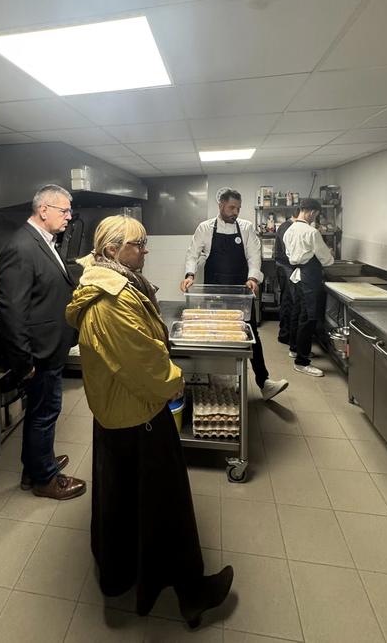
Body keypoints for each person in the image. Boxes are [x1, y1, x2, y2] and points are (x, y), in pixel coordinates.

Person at [66, 216, 233, 627]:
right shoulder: (112, 300)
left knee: (127, 500)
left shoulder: (108, 281)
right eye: (138, 244)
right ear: (112, 250)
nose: (145, 250)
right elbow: (143, 365)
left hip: (119, 412)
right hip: (138, 413)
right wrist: (175, 381)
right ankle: (191, 592)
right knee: (167, 504)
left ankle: (123, 572)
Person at [0, 184, 86, 501]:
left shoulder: (45, 241)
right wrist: (25, 363)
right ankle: (45, 478)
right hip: (38, 352)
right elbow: (12, 312)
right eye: (65, 211)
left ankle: (35, 466)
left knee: (41, 412)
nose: (69, 216)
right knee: (45, 412)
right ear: (43, 210)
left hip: (50, 346)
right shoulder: (21, 247)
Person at [180, 188, 288, 401]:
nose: (235, 212)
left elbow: (254, 256)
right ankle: (215, 381)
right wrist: (189, 275)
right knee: (215, 333)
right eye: (231, 208)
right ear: (220, 205)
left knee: (250, 334)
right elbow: (192, 254)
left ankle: (264, 382)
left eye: (238, 208)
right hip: (213, 293)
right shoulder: (205, 228)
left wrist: (253, 278)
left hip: (241, 294)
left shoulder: (246, 228)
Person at [283, 198, 334, 377]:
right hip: (309, 277)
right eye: (316, 215)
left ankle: (295, 349)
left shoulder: (289, 230)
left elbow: (289, 254)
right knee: (309, 318)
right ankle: (302, 362)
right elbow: (326, 259)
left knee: (298, 312)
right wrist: (330, 255)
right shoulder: (312, 232)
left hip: (297, 276)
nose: (315, 218)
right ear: (311, 212)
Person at [275, 206, 300, 347]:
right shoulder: (287, 227)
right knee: (289, 301)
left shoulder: (289, 226)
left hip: (287, 267)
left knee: (288, 299)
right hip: (286, 267)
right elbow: (289, 251)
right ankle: (285, 335)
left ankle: (286, 334)